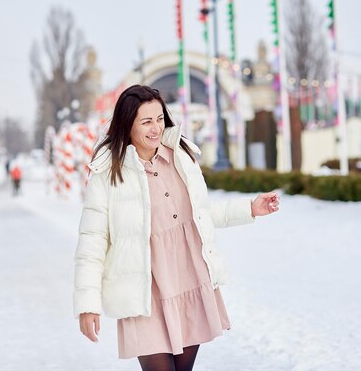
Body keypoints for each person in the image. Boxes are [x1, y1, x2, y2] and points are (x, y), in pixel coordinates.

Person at [73, 85, 280, 371]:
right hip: (144, 291)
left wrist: (250, 209)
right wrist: (87, 304)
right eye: (146, 122)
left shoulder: (181, 155)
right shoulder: (108, 172)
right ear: (127, 124)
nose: (156, 128)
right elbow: (92, 241)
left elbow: (199, 215)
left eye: (159, 118)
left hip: (188, 280)